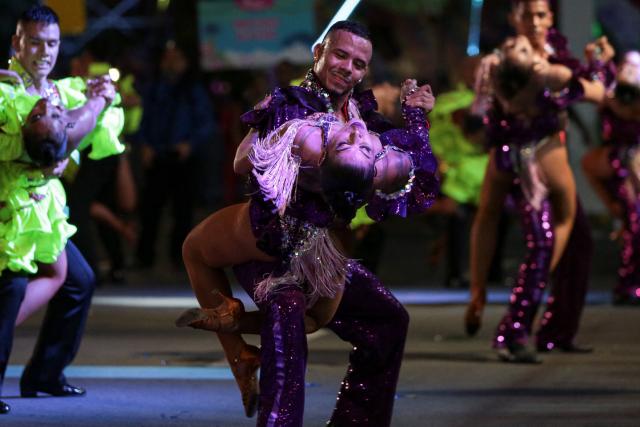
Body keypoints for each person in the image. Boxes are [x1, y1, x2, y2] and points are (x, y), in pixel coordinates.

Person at [184, 21, 437, 426]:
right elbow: (241, 160)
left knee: (387, 321)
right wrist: (293, 149)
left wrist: (415, 117)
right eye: (340, 55)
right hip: (272, 247)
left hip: (323, 254)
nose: (347, 68)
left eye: (359, 63)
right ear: (318, 52)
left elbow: (407, 168)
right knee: (287, 318)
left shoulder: (359, 114)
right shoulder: (291, 104)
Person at [465, 0, 611, 363]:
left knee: (575, 243)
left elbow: (594, 91)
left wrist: (592, 66)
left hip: (543, 156)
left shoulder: (551, 57)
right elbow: (480, 114)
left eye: (542, 14)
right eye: (528, 14)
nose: (535, 21)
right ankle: (512, 322)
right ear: (514, 17)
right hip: (522, 158)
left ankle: (553, 331)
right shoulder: (509, 60)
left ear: (551, 18)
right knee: (542, 239)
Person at [0, 5, 123, 414]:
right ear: (17, 42)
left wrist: (97, 98)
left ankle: (45, 375)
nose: (45, 51)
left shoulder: (54, 90)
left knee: (79, 280)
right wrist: (92, 107)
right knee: (13, 289)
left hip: (42, 211)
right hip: (8, 211)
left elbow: (66, 143)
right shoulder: (5, 89)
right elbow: (52, 142)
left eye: (52, 43)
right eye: (35, 41)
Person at [135, 41, 216, 270]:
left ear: (185, 62)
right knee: (150, 209)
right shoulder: (153, 88)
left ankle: (179, 259)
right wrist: (145, 145)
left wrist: (190, 145)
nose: (170, 63)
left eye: (175, 58)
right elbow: (144, 119)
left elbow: (205, 123)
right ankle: (145, 257)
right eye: (167, 58)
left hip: (182, 158)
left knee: (183, 211)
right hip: (157, 155)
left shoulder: (192, 89)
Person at [582, 51, 640, 305]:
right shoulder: (609, 92)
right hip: (617, 161)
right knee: (632, 222)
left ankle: (630, 283)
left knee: (633, 224)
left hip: (635, 158)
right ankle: (628, 284)